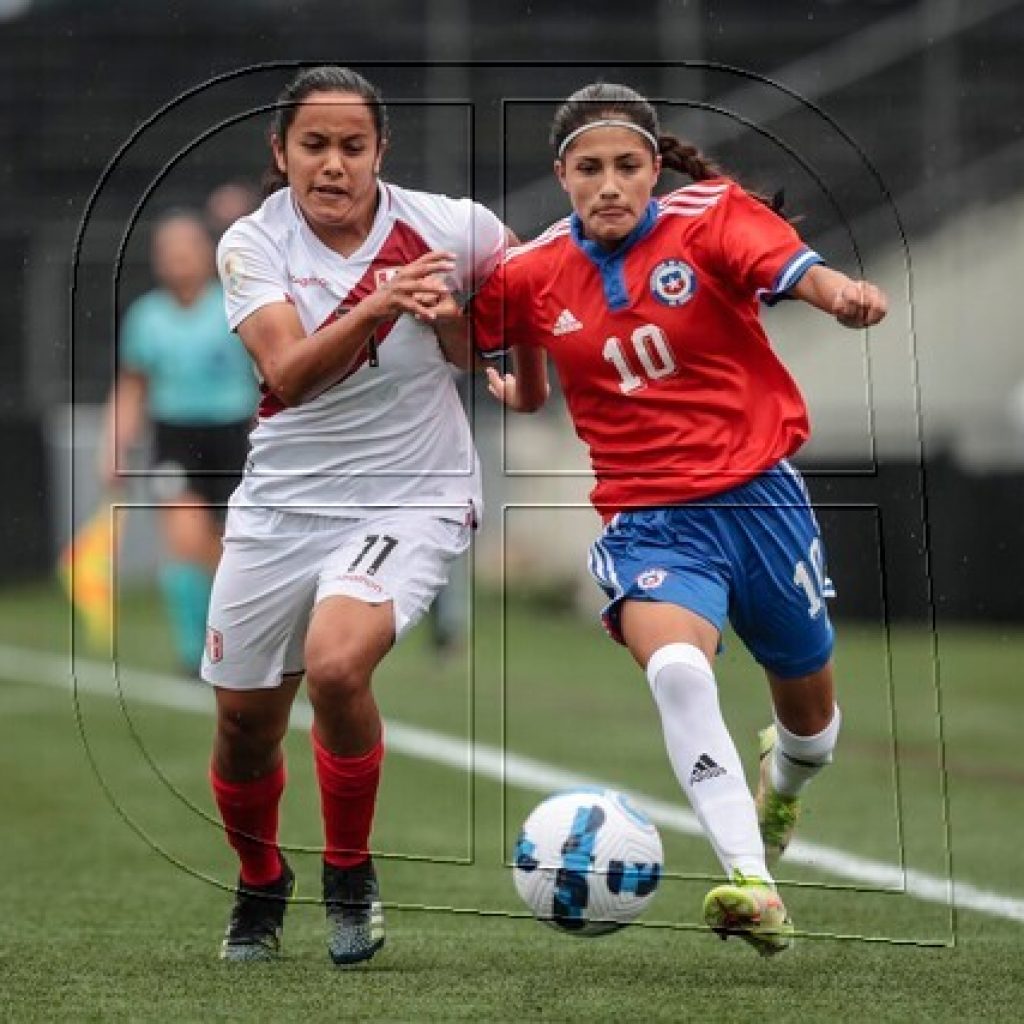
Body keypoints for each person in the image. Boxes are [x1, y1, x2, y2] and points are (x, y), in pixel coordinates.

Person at [471, 83, 887, 956]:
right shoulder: (533, 267)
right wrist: (529, 391)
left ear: (654, 168)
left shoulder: (708, 216)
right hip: (650, 519)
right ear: (563, 175)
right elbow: (522, 326)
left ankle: (785, 785)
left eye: (627, 165)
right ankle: (753, 883)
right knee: (677, 674)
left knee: (812, 730)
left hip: (761, 501)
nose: (610, 184)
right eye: (590, 169)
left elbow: (792, 268)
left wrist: (841, 294)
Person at [204, 65, 507, 965]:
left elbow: (532, 292)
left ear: (381, 152)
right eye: (314, 145)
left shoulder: (452, 227)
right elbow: (288, 377)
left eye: (352, 146)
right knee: (244, 727)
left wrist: (477, 335)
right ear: (280, 152)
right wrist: (383, 300)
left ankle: (349, 874)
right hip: (283, 504)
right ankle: (261, 881)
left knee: (337, 666)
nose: (332, 165)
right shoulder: (251, 245)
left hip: (411, 495)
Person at [99, 210, 259, 674]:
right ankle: (194, 652)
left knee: (230, 547)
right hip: (175, 438)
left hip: (233, 436)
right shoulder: (147, 317)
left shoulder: (232, 306)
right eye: (168, 252)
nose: (178, 260)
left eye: (186, 249)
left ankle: (233, 636)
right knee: (186, 540)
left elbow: (266, 372)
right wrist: (114, 444)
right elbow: (132, 386)